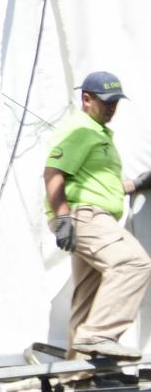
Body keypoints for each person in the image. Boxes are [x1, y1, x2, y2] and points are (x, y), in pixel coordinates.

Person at [44, 70, 151, 359]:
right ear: (86, 98)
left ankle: (76, 372)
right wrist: (63, 216)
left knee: (87, 296)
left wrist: (135, 185)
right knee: (133, 263)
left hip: (88, 215)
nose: (112, 108)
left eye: (115, 102)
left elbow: (94, 182)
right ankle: (98, 335)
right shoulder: (81, 129)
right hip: (84, 215)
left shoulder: (98, 134)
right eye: (106, 102)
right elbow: (53, 172)